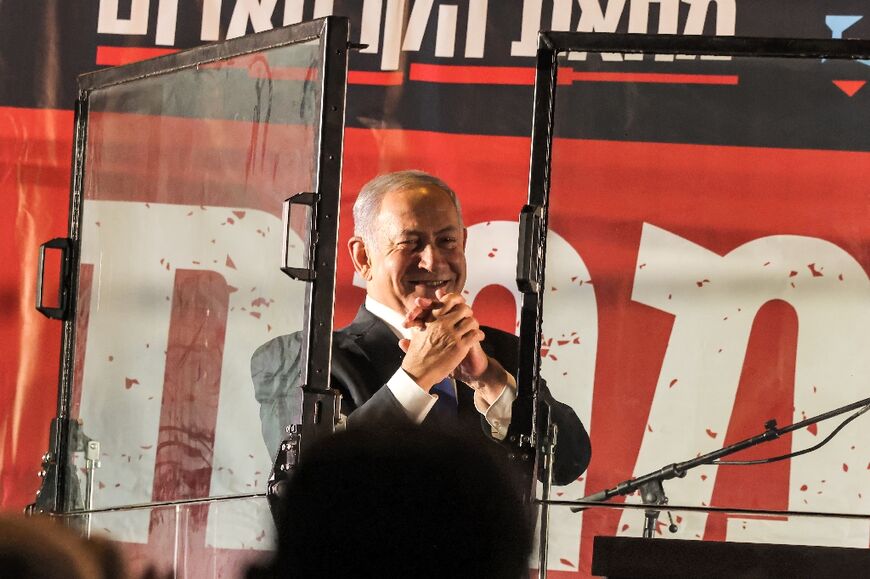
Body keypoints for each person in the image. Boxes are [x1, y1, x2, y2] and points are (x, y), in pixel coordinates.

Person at [251, 170, 591, 484]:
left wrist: (489, 380)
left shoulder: (502, 354)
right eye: (410, 244)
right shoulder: (306, 358)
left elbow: (568, 463)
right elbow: (307, 485)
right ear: (363, 258)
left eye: (447, 242)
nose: (433, 261)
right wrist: (416, 376)